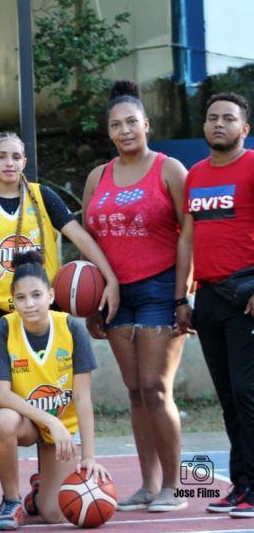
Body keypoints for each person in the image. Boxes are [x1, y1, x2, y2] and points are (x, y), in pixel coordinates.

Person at [82, 81, 189, 512]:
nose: (125, 130)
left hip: (161, 287)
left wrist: (183, 295)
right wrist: (89, 300)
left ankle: (177, 487)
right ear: (109, 131)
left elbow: (189, 235)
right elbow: (88, 240)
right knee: (134, 391)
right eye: (115, 124)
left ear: (146, 124)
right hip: (114, 294)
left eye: (131, 122)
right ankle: (148, 485)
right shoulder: (98, 176)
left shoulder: (170, 169)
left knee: (156, 388)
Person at [0, 251, 109, 530]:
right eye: (21, 298)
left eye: (36, 295)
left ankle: (40, 491)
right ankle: (11, 500)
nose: (29, 304)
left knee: (55, 513)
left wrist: (89, 456)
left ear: (51, 295)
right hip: (30, 423)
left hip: (64, 431)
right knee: (3, 420)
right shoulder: (4, 328)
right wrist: (49, 420)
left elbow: (83, 397)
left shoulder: (71, 329)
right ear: (12, 300)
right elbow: (0, 395)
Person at [0, 132, 119, 350]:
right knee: (6, 382)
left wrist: (110, 278)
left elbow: (81, 238)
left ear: (24, 162)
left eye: (16, 157)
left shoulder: (43, 196)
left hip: (47, 307)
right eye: (1, 157)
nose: (9, 163)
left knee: (51, 380)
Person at [176, 92, 254, 518]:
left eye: (228, 118)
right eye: (211, 118)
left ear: (244, 128)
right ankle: (240, 486)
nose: (218, 124)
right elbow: (186, 238)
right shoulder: (196, 175)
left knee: (248, 393)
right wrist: (181, 298)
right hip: (206, 298)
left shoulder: (253, 165)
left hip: (246, 297)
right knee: (227, 396)